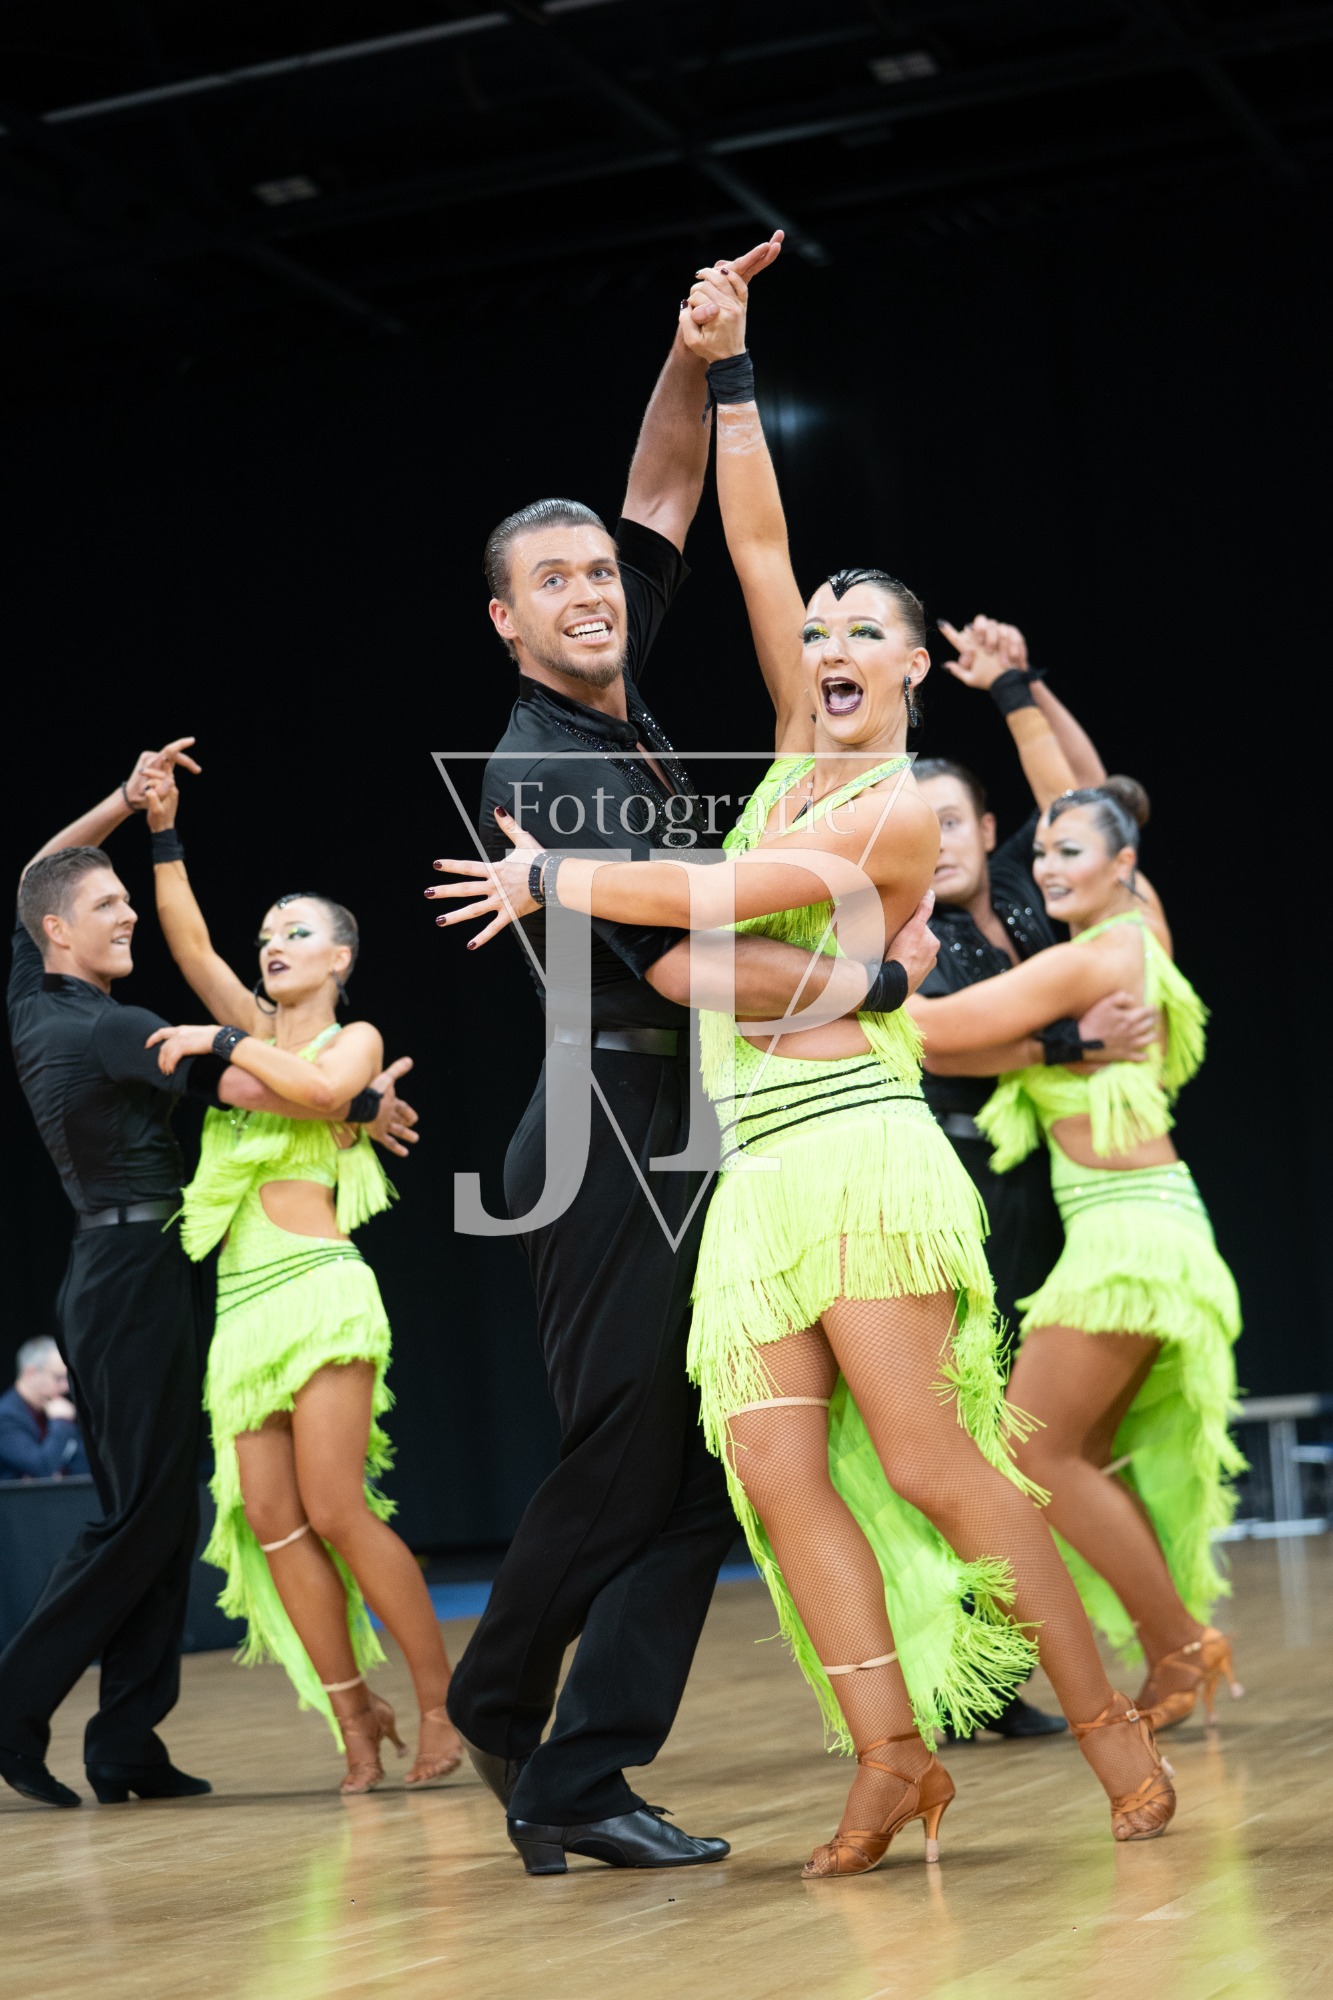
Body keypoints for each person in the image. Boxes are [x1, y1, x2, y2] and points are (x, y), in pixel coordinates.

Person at [432, 264, 1175, 1869]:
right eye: (817, 631)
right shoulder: (742, 747)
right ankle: (873, 1760)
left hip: (835, 1146)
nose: (826, 641)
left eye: (862, 633)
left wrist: (567, 883)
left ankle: (1108, 1732)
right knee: (749, 1468)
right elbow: (743, 534)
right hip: (712, 1145)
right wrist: (728, 371)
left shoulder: (890, 799)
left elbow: (706, 919)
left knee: (905, 1461)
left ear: (914, 669)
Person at [435, 232, 936, 1879]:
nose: (594, 590)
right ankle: (510, 1713)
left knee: (697, 1459)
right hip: (610, 1122)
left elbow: (658, 495)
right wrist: (872, 976)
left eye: (599, 573)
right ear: (505, 620)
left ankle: (569, 1763)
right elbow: (677, 958)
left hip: (677, 1114)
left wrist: (698, 349)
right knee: (631, 1455)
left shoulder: (614, 689)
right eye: (556, 582)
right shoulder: (543, 769)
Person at [0, 745, 417, 1811]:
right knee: (141, 1514)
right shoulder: (117, 1025)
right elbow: (266, 1089)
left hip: (149, 1263)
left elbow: (45, 868)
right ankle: (15, 1706)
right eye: (107, 907)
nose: (127, 917)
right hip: (135, 1271)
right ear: (59, 931)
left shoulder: (33, 992)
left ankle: (126, 1742)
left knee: (163, 1516)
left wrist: (133, 808)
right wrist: (359, 1104)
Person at [143, 763, 461, 1795]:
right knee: (274, 1523)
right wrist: (163, 832)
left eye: (296, 931)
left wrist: (224, 1042)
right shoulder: (252, 1028)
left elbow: (325, 1090)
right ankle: (355, 1721)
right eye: (267, 934)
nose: (272, 943)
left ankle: (442, 1705)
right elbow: (189, 944)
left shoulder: (348, 1040)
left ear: (340, 957)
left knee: (335, 1507)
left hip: (321, 1288)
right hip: (241, 1308)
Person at [906, 785, 1244, 1735]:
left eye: (1069, 852)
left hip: (1128, 1237)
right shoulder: (1139, 935)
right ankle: (1174, 1649)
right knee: (1078, 1452)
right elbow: (969, 1055)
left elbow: (931, 1029)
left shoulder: (1094, 958)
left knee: (1035, 1450)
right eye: (1042, 851)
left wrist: (863, 972)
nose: (1046, 867)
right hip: (1139, 1222)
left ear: (1122, 865)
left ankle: (1180, 1645)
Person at [914, 615, 1158, 1743]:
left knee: (1051, 1434)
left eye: (949, 822)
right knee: (981, 1424)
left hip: (1057, 1187)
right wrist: (1063, 1046)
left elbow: (1088, 805)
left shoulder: (1034, 888)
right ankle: (981, 1673)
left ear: (986, 830)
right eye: (914, 831)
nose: (935, 845)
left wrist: (1014, 688)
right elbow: (937, 1043)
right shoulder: (911, 934)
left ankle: (1111, 1644)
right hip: (966, 1180)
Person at [0, 1338, 89, 1481]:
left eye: (66, 1378)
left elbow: (83, 1462)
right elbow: (42, 1468)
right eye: (58, 1378)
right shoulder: (5, 1416)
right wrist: (61, 1422)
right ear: (31, 1374)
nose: (65, 1387)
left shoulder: (50, 1407)